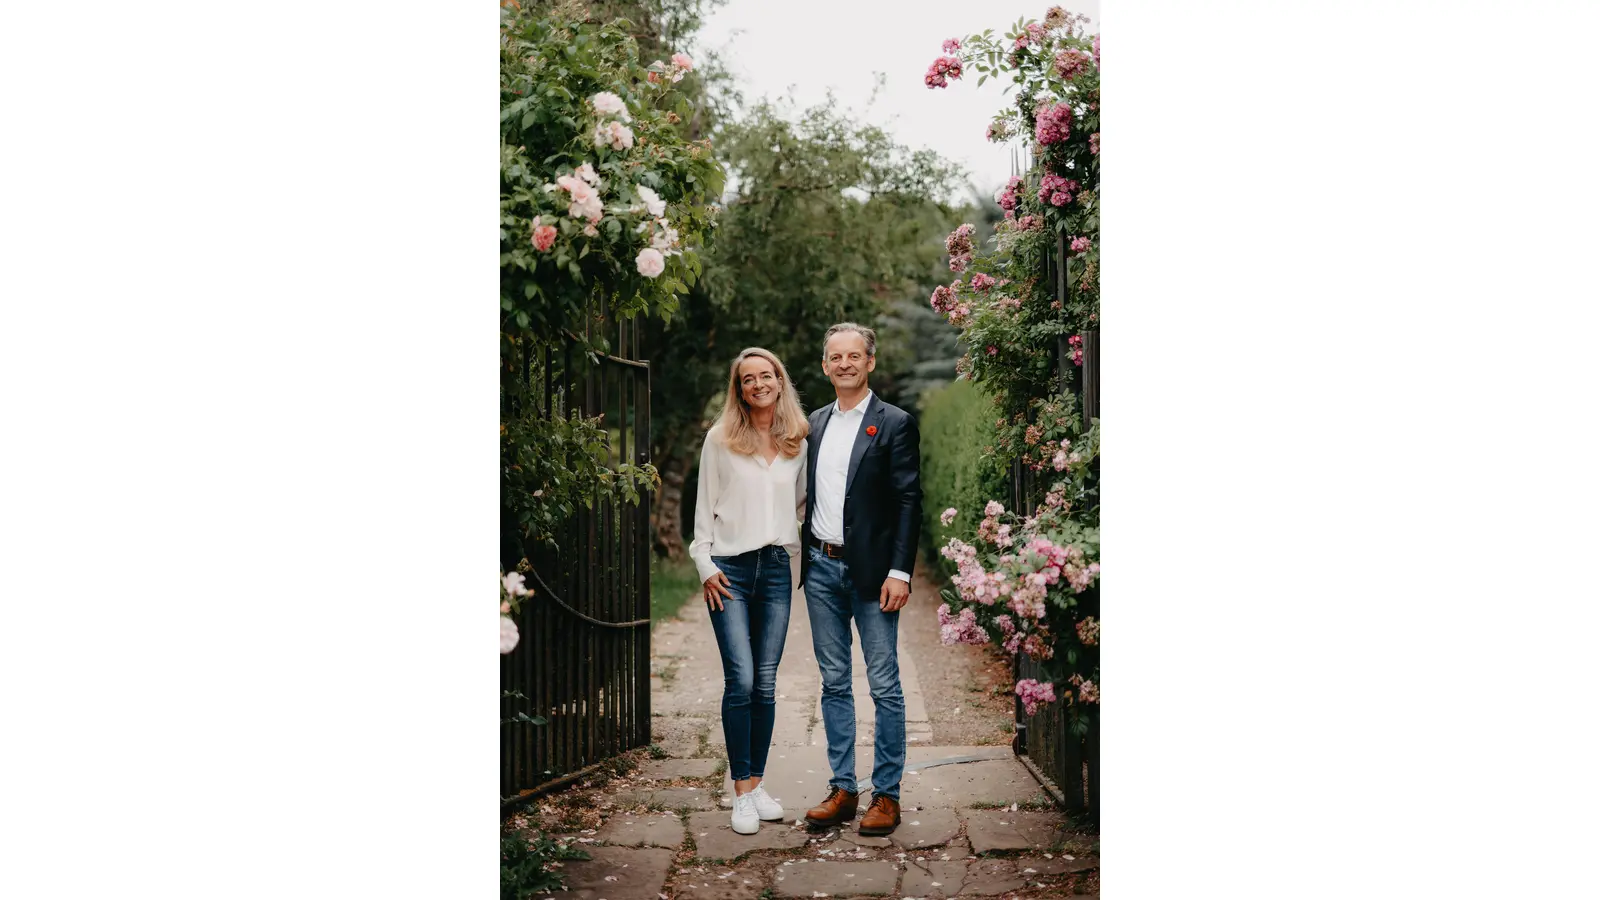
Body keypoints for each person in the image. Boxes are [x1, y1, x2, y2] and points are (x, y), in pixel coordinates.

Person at [799, 323, 922, 837]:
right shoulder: (813, 424)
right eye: (835, 356)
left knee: (885, 683)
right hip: (822, 569)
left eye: (854, 356)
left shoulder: (894, 423)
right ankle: (844, 789)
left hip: (874, 574)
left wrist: (900, 571)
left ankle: (887, 797)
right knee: (833, 682)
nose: (844, 363)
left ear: (870, 362)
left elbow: (908, 500)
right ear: (824, 365)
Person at [689, 347, 810, 835]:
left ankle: (757, 785)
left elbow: (803, 503)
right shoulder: (720, 440)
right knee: (739, 680)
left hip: (777, 569)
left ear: (780, 381)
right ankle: (740, 791)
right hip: (729, 571)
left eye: (766, 375)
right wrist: (703, 565)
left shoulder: (798, 442)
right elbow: (703, 510)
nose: (758, 384)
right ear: (738, 389)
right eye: (747, 379)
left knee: (764, 681)